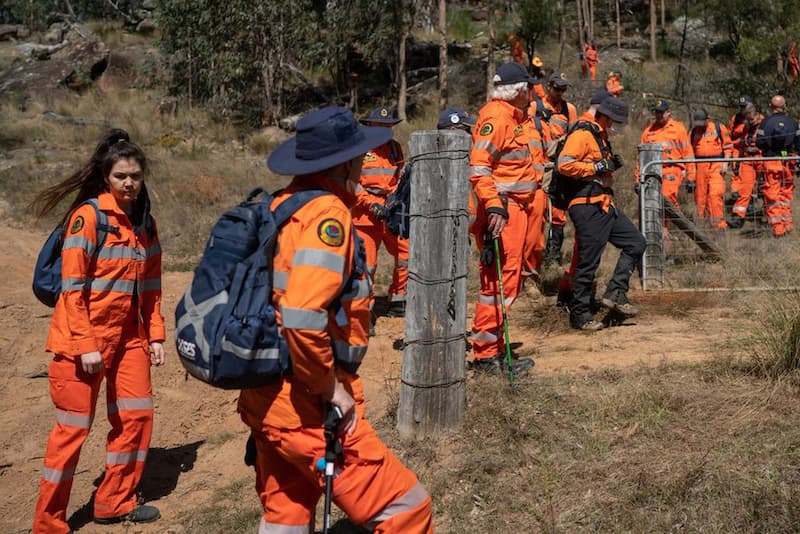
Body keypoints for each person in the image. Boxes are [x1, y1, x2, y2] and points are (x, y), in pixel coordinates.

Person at [238, 107, 433, 533]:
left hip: (266, 398)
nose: (364, 165)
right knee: (407, 509)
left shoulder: (280, 206)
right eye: (360, 159)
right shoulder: (327, 217)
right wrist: (331, 391)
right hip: (309, 404)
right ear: (343, 164)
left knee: (285, 514)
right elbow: (303, 317)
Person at [32, 129, 166, 532]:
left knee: (137, 418)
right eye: (121, 176)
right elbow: (71, 290)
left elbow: (153, 287)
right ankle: (48, 523)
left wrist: (155, 334)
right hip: (81, 343)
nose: (129, 183)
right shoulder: (88, 218)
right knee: (72, 432)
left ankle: (114, 502)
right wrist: (88, 345)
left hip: (130, 339)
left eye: (135, 176)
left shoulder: (145, 223)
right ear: (106, 178)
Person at [469, 62, 537, 375]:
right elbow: (480, 167)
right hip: (503, 212)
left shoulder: (513, 116)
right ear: (519, 90)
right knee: (497, 285)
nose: (532, 93)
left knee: (506, 283)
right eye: (529, 88)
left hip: (516, 209)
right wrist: (494, 206)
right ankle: (486, 356)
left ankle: (494, 350)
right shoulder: (497, 118)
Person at [556, 97, 646, 331]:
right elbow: (564, 165)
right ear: (605, 117)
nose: (619, 126)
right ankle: (580, 315)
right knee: (588, 262)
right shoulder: (583, 134)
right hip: (586, 206)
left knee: (636, 242)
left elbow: (599, 169)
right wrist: (595, 167)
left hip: (604, 203)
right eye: (616, 121)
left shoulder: (601, 137)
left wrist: (608, 166)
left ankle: (616, 293)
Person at [355, 107, 408, 318]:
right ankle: (363, 312)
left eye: (388, 126)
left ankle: (398, 300)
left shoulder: (395, 148)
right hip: (364, 215)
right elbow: (352, 183)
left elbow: (400, 178)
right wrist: (370, 204)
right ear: (370, 126)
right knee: (367, 264)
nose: (385, 130)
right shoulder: (358, 149)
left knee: (406, 254)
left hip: (391, 210)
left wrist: (396, 200)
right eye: (381, 126)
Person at [529, 71, 579, 267]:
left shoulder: (569, 109)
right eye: (557, 88)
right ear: (549, 86)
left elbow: (574, 137)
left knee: (558, 214)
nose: (560, 92)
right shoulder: (535, 107)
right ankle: (534, 256)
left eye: (563, 89)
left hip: (558, 168)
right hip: (537, 167)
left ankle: (552, 257)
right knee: (537, 214)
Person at [636, 99, 695, 212]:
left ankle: (673, 223)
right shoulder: (648, 132)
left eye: (661, 112)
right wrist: (637, 180)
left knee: (667, 198)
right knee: (653, 203)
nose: (659, 115)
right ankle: (664, 228)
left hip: (672, 170)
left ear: (668, 112)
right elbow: (641, 158)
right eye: (657, 112)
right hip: (653, 172)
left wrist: (691, 176)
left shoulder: (678, 129)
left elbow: (688, 153)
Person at [756, 95, 799, 236]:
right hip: (787, 161)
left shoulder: (765, 123)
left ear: (770, 106)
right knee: (786, 194)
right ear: (784, 106)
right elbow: (799, 143)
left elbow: (759, 143)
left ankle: (778, 230)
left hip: (771, 160)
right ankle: (788, 226)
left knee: (772, 195)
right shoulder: (793, 122)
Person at [689, 108, 733, 229]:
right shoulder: (694, 132)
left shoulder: (718, 128)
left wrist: (726, 162)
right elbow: (690, 152)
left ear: (707, 120)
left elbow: (728, 146)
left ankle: (718, 224)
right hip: (700, 166)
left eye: (702, 123)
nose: (700, 126)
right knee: (700, 195)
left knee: (715, 193)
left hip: (717, 164)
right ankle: (701, 223)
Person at [728, 101, 764, 228]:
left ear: (755, 114)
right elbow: (743, 140)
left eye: (751, 119)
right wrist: (733, 144)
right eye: (748, 120)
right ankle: (738, 217)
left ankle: (769, 217)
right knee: (744, 189)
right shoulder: (746, 125)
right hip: (748, 159)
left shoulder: (765, 123)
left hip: (761, 159)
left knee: (765, 189)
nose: (750, 121)